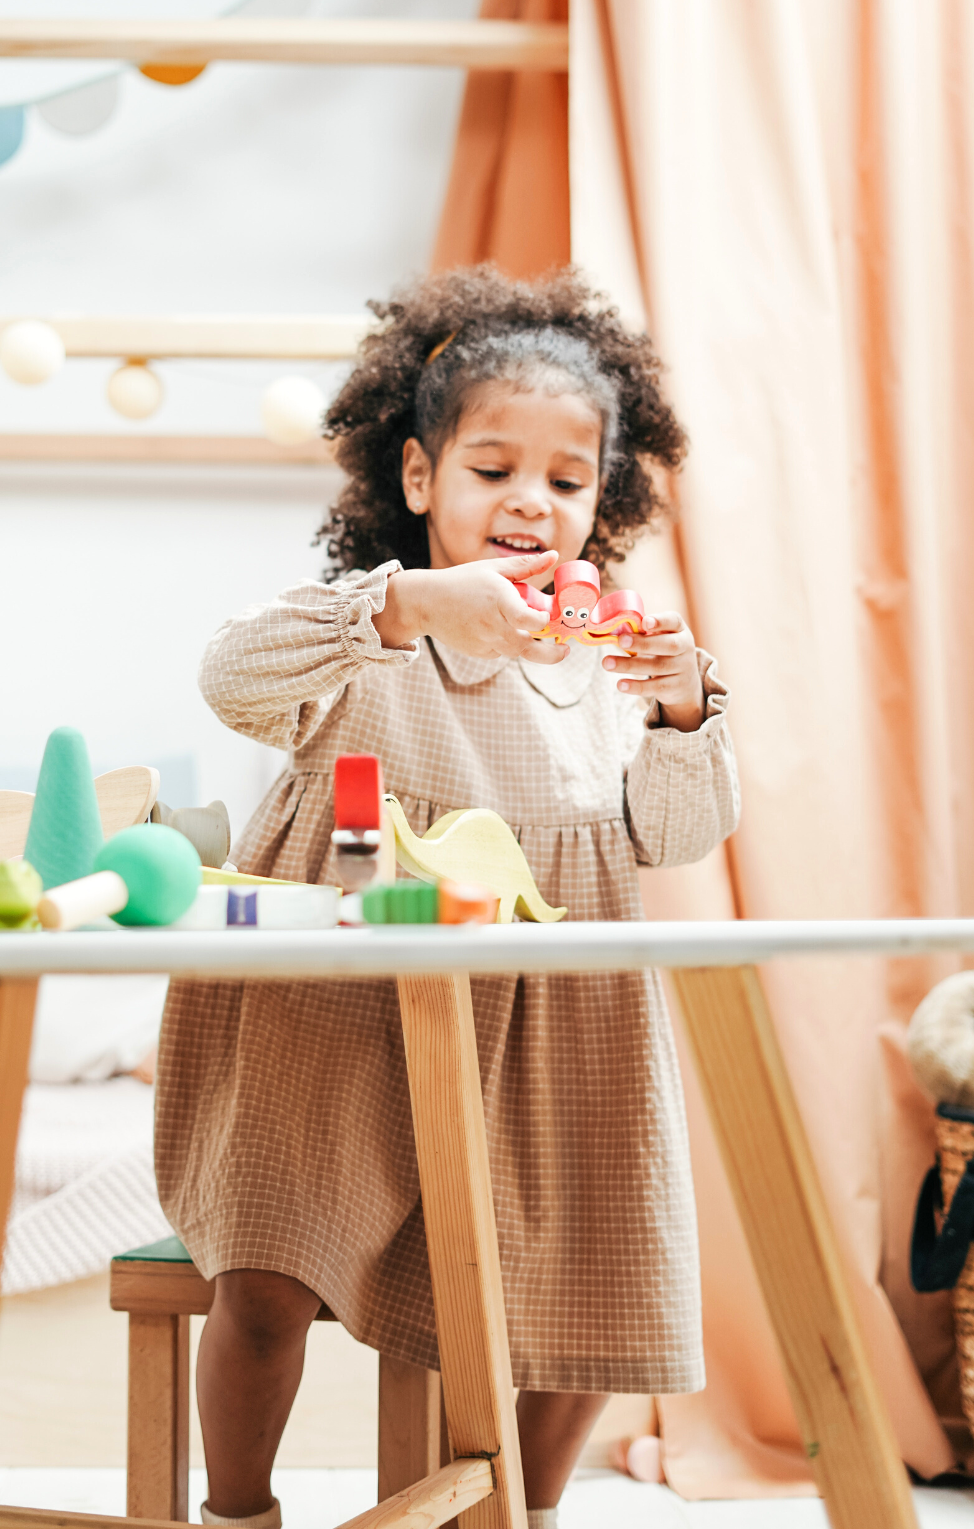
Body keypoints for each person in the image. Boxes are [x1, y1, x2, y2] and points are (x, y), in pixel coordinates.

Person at [154, 264, 741, 1529]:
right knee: (267, 1273)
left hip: (549, 1021)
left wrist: (686, 703)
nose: (530, 502)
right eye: (492, 470)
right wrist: (410, 602)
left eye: (567, 481)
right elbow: (230, 675)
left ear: (606, 501)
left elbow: (677, 830)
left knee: (601, 1283)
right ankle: (238, 1511)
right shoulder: (369, 634)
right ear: (419, 481)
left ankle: (506, 1515)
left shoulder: (601, 666)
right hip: (341, 1002)